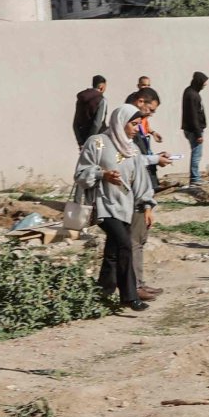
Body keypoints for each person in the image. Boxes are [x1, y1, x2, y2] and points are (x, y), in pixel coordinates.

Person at [75, 104, 158, 311]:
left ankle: (102, 292)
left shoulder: (133, 150)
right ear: (120, 122)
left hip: (125, 208)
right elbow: (80, 174)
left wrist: (147, 205)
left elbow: (141, 181)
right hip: (102, 205)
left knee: (113, 252)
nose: (136, 129)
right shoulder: (97, 143)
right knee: (124, 245)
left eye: (139, 125)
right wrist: (102, 174)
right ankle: (129, 296)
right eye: (133, 124)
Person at [126, 88, 172, 299]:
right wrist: (155, 159)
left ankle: (138, 283)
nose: (150, 115)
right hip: (134, 193)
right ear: (140, 101)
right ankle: (134, 286)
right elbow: (132, 160)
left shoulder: (138, 127)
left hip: (143, 190)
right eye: (150, 110)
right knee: (135, 241)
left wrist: (155, 157)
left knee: (140, 239)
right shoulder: (126, 130)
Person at [182, 71, 209, 185]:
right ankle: (195, 178)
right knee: (196, 154)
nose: (204, 86)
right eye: (203, 83)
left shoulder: (190, 92)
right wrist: (198, 133)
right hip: (194, 130)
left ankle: (195, 177)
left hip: (191, 129)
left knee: (196, 153)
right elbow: (193, 115)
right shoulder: (192, 95)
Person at [73, 75, 109, 147]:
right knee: (100, 154)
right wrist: (89, 141)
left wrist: (80, 142)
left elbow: (75, 124)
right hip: (98, 139)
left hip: (83, 139)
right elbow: (97, 124)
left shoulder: (81, 99)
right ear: (101, 87)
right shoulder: (101, 100)